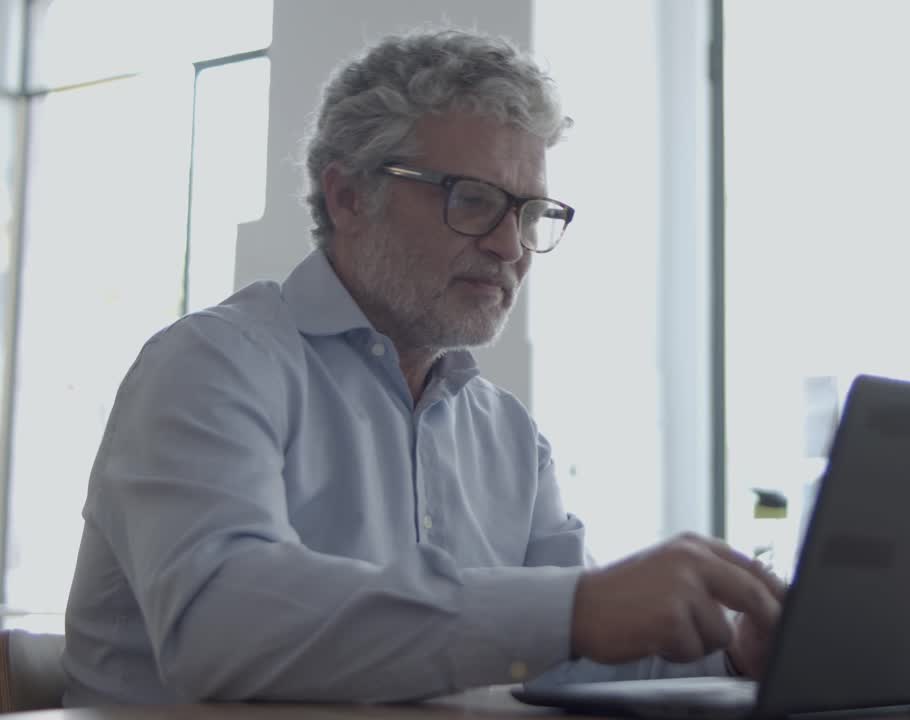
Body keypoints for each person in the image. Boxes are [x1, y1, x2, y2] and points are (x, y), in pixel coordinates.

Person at [61, 28, 784, 706]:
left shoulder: (508, 436)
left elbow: (569, 653)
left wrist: (734, 655)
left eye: (531, 213)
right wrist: (577, 607)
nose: (511, 247)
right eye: (472, 200)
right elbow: (217, 624)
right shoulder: (210, 365)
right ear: (348, 197)